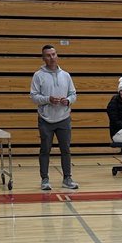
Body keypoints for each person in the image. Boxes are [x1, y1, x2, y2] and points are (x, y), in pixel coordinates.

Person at [30, 45, 78, 192]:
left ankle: (67, 178)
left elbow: (73, 94)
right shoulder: (38, 75)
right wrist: (48, 99)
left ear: (57, 56)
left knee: (66, 149)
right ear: (43, 58)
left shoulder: (66, 75)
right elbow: (34, 96)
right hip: (46, 119)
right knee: (45, 149)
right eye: (48, 55)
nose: (52, 58)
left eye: (54, 54)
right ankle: (44, 179)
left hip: (64, 118)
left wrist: (68, 101)